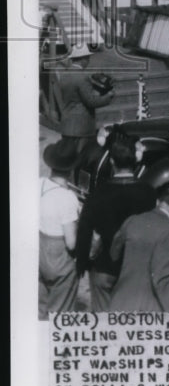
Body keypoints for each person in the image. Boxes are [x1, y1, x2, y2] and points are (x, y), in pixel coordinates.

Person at [75, 130, 156, 310]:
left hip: (103, 268)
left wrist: (82, 263)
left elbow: (84, 230)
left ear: (112, 162)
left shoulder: (98, 194)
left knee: (103, 320)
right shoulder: (148, 192)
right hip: (135, 267)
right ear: (135, 162)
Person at [108, 188, 169, 312]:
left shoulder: (132, 220)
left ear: (157, 202)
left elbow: (114, 253)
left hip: (120, 301)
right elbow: (161, 278)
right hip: (148, 308)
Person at [39, 140, 81, 317]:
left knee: (41, 307)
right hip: (59, 258)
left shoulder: (39, 183)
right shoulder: (68, 198)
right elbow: (71, 243)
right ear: (70, 170)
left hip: (40, 250)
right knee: (60, 313)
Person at [56, 66, 115, 153]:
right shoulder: (82, 77)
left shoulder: (64, 75)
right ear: (84, 59)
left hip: (67, 124)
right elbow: (91, 101)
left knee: (68, 157)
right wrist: (108, 96)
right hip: (81, 127)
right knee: (82, 156)